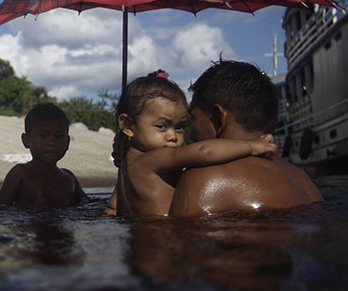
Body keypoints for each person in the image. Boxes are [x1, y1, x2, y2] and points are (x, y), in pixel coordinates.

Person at [104, 70, 277, 216]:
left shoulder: (127, 166)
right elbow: (204, 151)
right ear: (127, 125)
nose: (173, 136)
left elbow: (112, 208)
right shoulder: (155, 159)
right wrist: (252, 146)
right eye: (162, 126)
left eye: (180, 127)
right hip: (164, 239)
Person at [169, 59, 323, 216]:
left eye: (193, 119)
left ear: (217, 118)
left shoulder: (204, 179)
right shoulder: (305, 183)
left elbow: (176, 239)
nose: (191, 133)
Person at [0, 103, 87, 209]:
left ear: (68, 142)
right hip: (29, 224)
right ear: (26, 141)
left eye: (59, 136)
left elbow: (86, 203)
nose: (52, 142)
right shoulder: (20, 173)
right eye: (43, 136)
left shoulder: (69, 177)